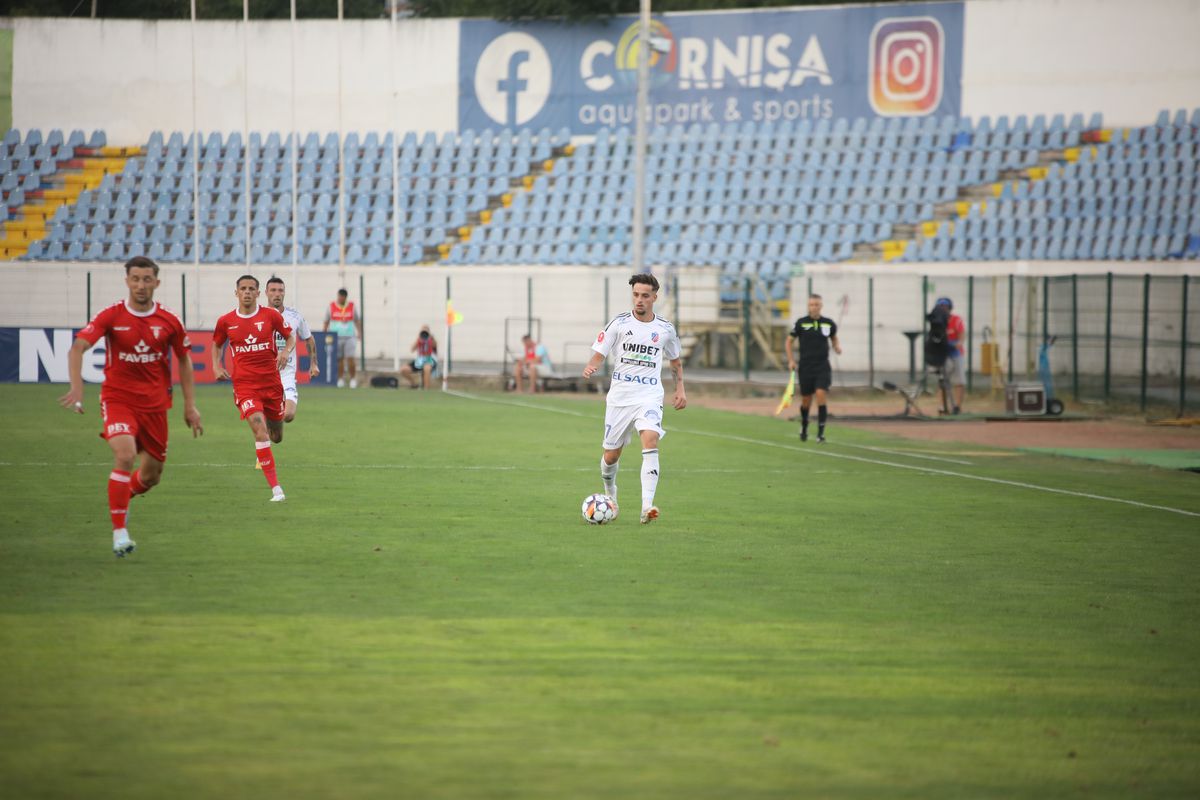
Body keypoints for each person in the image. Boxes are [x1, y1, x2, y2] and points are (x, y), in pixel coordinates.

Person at [57, 256, 203, 557]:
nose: (140, 285)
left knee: (151, 476)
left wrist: (190, 406)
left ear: (156, 283)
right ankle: (120, 534)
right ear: (127, 281)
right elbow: (78, 347)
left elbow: (185, 360)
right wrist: (77, 387)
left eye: (146, 279)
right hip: (118, 399)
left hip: (155, 406)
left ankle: (124, 497)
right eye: (135, 279)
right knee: (124, 455)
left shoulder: (169, 321)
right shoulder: (111, 316)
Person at [582, 273, 687, 524]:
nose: (639, 300)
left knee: (650, 440)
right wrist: (591, 365)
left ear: (654, 298)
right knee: (611, 456)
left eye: (645, 296)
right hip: (620, 397)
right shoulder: (618, 324)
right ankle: (610, 495)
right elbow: (600, 352)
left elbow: (675, 361)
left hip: (649, 395)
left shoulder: (665, 329)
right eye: (636, 295)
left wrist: (680, 389)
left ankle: (647, 506)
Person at [212, 275, 296, 502]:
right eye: (243, 288)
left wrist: (286, 351)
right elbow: (217, 343)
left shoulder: (270, 316)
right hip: (245, 386)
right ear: (236, 292)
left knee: (275, 436)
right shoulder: (226, 321)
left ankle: (266, 442)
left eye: (251, 289)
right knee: (259, 429)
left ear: (258, 293)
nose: (247, 292)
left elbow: (290, 337)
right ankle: (276, 489)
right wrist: (216, 366)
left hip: (271, 384)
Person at [785, 293, 842, 443]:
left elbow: (834, 336)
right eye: (811, 305)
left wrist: (836, 346)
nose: (814, 307)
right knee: (806, 400)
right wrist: (791, 360)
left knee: (821, 394)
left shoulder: (828, 323)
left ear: (821, 306)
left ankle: (820, 433)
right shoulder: (801, 323)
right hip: (805, 367)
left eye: (817, 305)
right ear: (808, 306)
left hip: (822, 366)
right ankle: (804, 425)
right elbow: (789, 341)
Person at [265, 276, 320, 422]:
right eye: (273, 290)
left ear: (284, 292)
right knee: (273, 434)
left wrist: (313, 363)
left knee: (288, 415)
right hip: (263, 375)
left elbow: (308, 338)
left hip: (286, 374)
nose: (277, 294)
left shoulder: (294, 316)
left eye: (280, 290)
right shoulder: (258, 316)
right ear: (266, 293)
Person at [933, 297, 966, 414]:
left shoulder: (956, 320)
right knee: (942, 382)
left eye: (945, 307)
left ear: (950, 308)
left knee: (959, 381)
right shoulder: (937, 322)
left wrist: (959, 343)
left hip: (956, 354)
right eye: (941, 307)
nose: (943, 309)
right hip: (943, 355)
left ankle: (957, 406)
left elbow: (961, 335)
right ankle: (942, 406)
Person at [323, 288, 362, 388]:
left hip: (350, 336)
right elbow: (326, 321)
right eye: (339, 297)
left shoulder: (351, 307)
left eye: (342, 297)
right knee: (339, 359)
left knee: (350, 358)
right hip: (336, 336)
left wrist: (359, 332)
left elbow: (357, 320)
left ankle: (353, 379)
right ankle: (340, 379)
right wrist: (324, 333)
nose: (340, 298)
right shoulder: (331, 306)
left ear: (345, 297)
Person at [400, 325, 438, 389]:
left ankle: (426, 389)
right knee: (403, 369)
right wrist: (418, 339)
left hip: (430, 359)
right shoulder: (419, 339)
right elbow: (412, 349)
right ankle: (414, 384)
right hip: (420, 359)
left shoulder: (431, 339)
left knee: (427, 368)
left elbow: (435, 345)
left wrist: (431, 337)